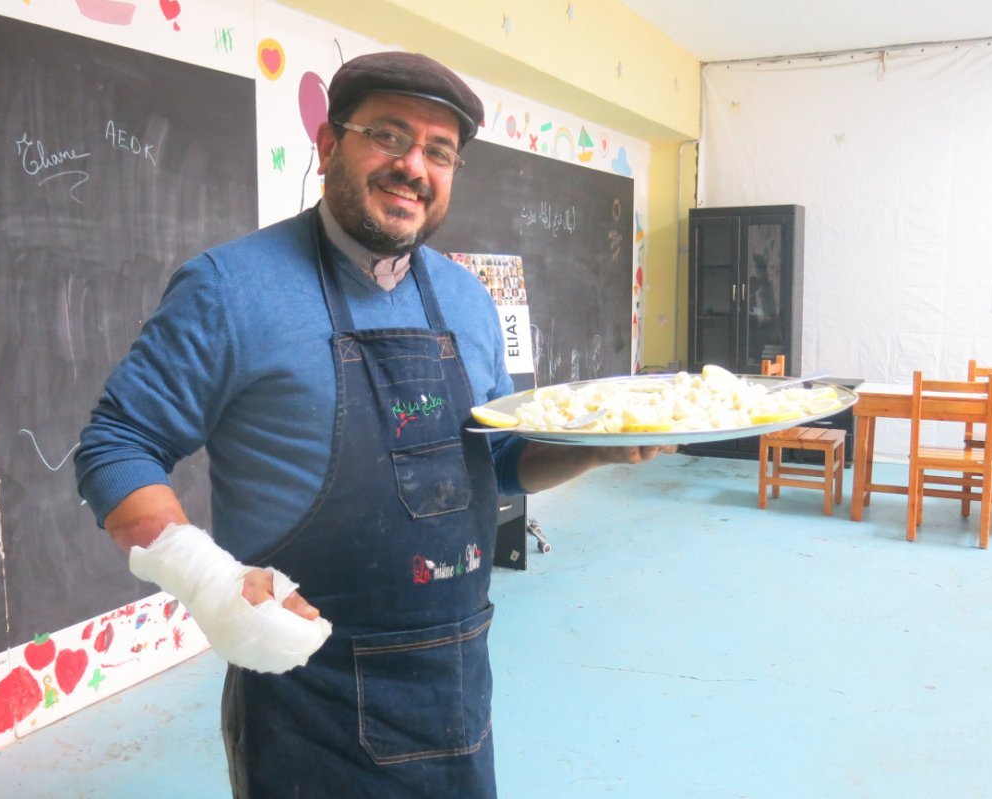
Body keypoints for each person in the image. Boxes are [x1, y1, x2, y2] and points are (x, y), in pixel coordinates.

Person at [74, 51, 669, 798]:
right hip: (304, 697)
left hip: (453, 687)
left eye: (439, 151)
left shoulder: (466, 300)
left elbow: (503, 457)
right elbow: (115, 444)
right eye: (388, 135)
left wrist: (597, 446)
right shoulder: (230, 288)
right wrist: (210, 580)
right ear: (328, 146)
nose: (412, 165)